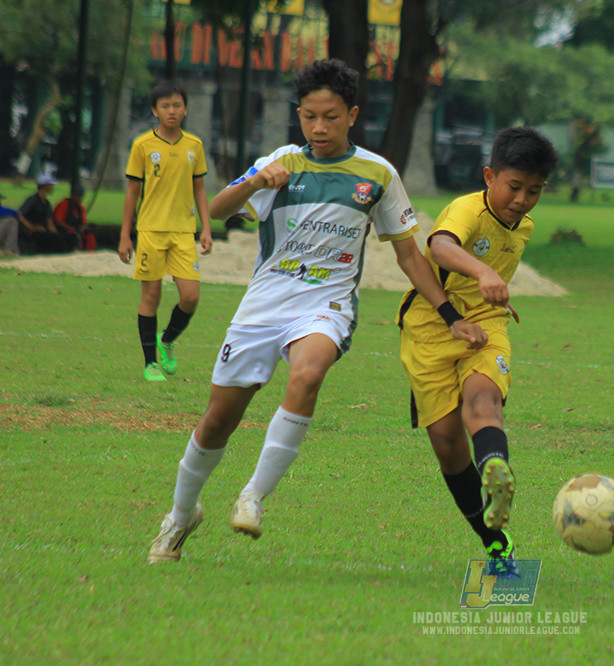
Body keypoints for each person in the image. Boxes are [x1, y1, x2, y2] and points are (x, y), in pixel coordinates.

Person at [147, 58, 485, 564]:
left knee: (308, 374)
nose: (318, 128)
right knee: (218, 420)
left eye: (329, 116)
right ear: (298, 116)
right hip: (264, 303)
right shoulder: (283, 161)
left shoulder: (378, 174)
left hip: (325, 306)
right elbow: (214, 211)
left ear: (351, 114)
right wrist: (257, 181)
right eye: (308, 116)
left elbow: (409, 255)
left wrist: (449, 313)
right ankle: (181, 514)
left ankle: (253, 496)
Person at [396, 126, 559, 577]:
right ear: (489, 176)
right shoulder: (466, 209)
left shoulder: (523, 225)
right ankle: (496, 542)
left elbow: (489, 275)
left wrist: (493, 296)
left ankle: (496, 471)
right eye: (514, 186)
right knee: (449, 448)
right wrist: (483, 273)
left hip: (487, 326)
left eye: (534, 191)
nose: (523, 200)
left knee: (483, 401)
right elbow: (441, 245)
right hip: (431, 328)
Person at [119, 81, 214, 383]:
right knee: (152, 295)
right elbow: (132, 193)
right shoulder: (143, 145)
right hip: (150, 231)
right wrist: (125, 236)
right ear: (154, 110)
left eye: (176, 105)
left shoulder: (194, 146)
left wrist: (206, 228)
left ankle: (168, 339)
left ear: (185, 109)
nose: (171, 111)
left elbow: (199, 188)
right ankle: (150, 364)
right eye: (165, 106)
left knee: (191, 296)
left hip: (183, 233)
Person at [18, 175, 76, 254]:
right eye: (51, 185)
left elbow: (50, 223)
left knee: (70, 237)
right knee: (57, 239)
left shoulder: (47, 203)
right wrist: (31, 226)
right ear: (45, 186)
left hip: (45, 231)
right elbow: (19, 214)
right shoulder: (33, 200)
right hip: (36, 233)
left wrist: (57, 234)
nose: (52, 187)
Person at [53, 183, 97, 251]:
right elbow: (58, 222)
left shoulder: (80, 208)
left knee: (90, 237)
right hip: (65, 231)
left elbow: (84, 223)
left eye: (81, 196)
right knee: (73, 235)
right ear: (72, 195)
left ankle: (89, 254)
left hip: (77, 230)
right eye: (78, 196)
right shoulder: (64, 204)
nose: (80, 198)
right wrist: (71, 228)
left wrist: (81, 229)